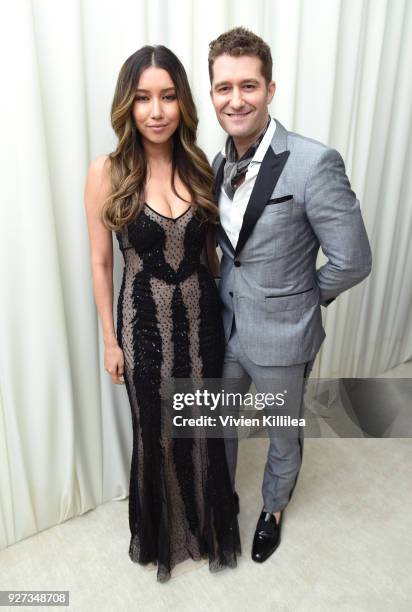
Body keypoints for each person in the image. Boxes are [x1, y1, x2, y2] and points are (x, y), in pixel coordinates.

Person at [208, 27, 372, 563]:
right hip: (227, 328)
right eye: (223, 87)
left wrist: (303, 301)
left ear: (270, 89)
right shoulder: (214, 164)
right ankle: (222, 499)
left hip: (284, 335)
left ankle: (273, 508)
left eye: (248, 85)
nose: (236, 99)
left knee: (282, 432)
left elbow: (353, 261)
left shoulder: (312, 162)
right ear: (212, 94)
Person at [84, 45, 240, 582]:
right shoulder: (107, 171)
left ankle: (202, 525)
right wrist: (110, 339)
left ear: (182, 102)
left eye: (168, 96)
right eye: (144, 98)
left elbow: (212, 255)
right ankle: (162, 534)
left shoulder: (200, 165)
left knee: (200, 424)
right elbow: (101, 263)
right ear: (128, 106)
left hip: (203, 327)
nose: (156, 111)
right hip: (142, 325)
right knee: (156, 430)